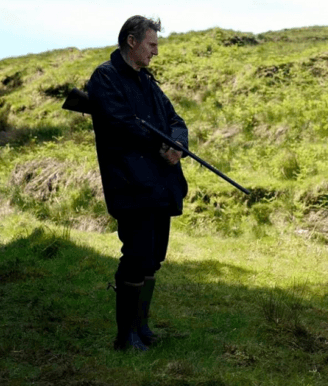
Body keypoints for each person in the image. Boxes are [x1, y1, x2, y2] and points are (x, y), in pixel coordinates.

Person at [87, 15, 189, 351]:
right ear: (132, 42)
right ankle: (124, 336)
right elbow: (121, 125)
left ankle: (140, 327)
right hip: (130, 185)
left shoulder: (149, 83)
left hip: (160, 185)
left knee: (153, 258)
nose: (155, 53)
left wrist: (177, 145)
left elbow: (175, 121)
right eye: (151, 45)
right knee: (136, 256)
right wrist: (160, 143)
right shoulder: (106, 78)